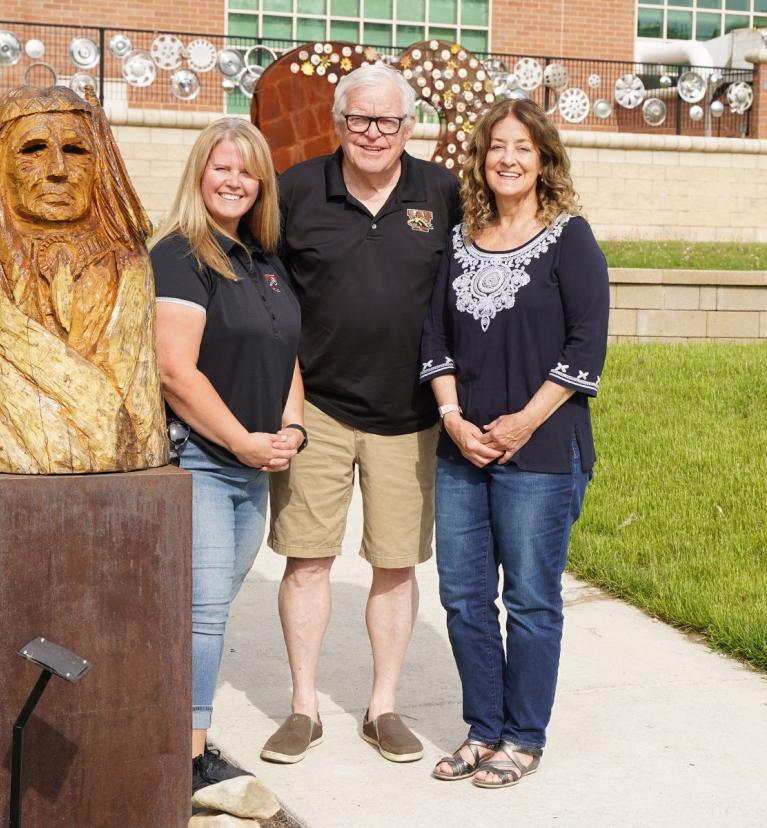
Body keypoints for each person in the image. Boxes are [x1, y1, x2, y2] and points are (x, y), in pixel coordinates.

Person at [261, 61, 461, 765]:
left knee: (396, 565)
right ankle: (303, 707)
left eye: (388, 121)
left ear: (410, 127)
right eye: (359, 119)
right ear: (337, 122)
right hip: (317, 406)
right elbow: (267, 297)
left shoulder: (442, 191)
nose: (373, 133)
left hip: (410, 413)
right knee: (308, 562)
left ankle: (383, 707)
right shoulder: (295, 191)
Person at [419, 98, 609, 788]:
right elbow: (434, 337)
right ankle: (483, 728)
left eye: (522, 148)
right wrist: (451, 419)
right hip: (463, 449)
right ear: (480, 158)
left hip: (541, 449)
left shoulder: (570, 238)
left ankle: (524, 736)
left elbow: (588, 343)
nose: (507, 158)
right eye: (496, 146)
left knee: (530, 598)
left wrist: (525, 420)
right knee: (465, 597)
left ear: (544, 160)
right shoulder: (461, 239)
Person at [149, 118, 305, 791]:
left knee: (207, 610)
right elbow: (174, 370)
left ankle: (182, 737)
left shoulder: (263, 259)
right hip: (204, 464)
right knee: (203, 613)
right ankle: (183, 760)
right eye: (222, 167)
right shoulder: (180, 255)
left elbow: (285, 351)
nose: (235, 180)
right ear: (199, 173)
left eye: (247, 171)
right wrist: (240, 439)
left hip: (254, 467)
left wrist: (292, 427)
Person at [0, 84, 166, 473]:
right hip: (16, 459)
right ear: (2, 166)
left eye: (75, 151)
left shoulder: (131, 266)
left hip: (123, 462)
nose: (58, 170)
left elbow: (139, 404)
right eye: (33, 150)